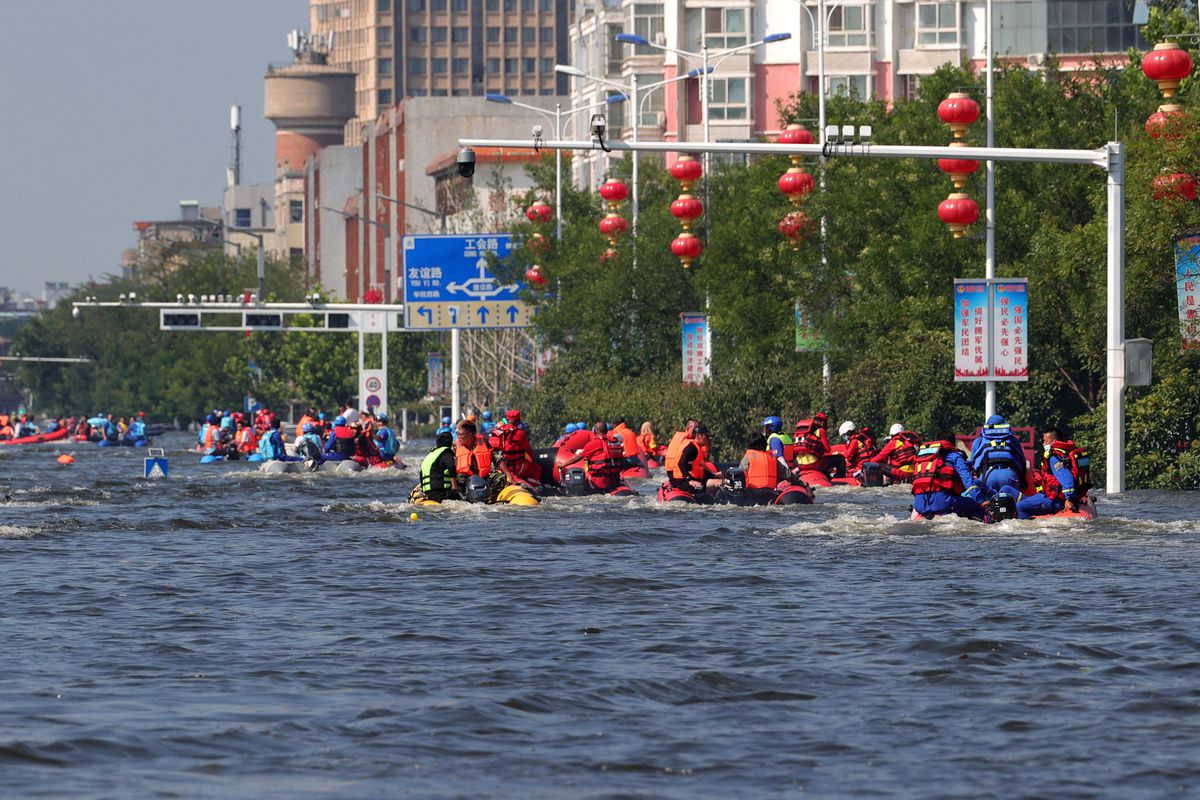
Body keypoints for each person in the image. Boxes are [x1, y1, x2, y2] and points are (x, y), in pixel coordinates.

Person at [911, 432, 993, 521]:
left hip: (920, 505)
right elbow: (968, 480)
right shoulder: (955, 456)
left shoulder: (924, 459)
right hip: (943, 502)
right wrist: (981, 501)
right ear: (953, 443)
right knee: (976, 507)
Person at [1018, 428, 1090, 517]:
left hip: (1056, 500)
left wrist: (1069, 499)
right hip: (1049, 495)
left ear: (1054, 441)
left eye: (1045, 441)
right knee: (1008, 491)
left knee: (1020, 507)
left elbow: (1067, 478)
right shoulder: (1065, 453)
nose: (1043, 444)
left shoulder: (1054, 457)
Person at [558, 421, 627, 493]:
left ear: (594, 431)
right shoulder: (615, 442)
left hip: (600, 483)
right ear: (607, 431)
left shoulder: (594, 443)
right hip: (615, 481)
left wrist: (563, 464)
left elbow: (578, 457)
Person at [969, 414, 1027, 495]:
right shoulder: (1012, 440)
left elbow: (972, 465)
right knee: (1011, 505)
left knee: (988, 506)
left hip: (987, 475)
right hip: (1009, 475)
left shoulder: (978, 441)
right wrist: (1023, 481)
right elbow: (1021, 461)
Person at [667, 425, 722, 497]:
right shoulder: (691, 448)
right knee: (719, 483)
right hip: (684, 483)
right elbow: (681, 463)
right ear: (698, 435)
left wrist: (714, 475)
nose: (709, 439)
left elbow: (697, 468)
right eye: (706, 436)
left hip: (691, 481)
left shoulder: (697, 448)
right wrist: (689, 480)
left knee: (718, 480)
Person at [488, 409, 539, 482]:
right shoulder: (520, 433)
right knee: (536, 467)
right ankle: (534, 487)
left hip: (500, 467)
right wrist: (532, 458)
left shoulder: (499, 430)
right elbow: (529, 450)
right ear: (517, 420)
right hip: (515, 467)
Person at [792, 413, 831, 486]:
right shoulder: (821, 430)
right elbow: (827, 449)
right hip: (813, 464)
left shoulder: (800, 433)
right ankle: (836, 480)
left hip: (799, 464)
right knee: (839, 459)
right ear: (823, 422)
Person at [419, 432, 459, 502]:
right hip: (442, 494)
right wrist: (454, 487)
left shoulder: (431, 454)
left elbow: (421, 473)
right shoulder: (446, 453)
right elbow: (451, 466)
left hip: (429, 494)